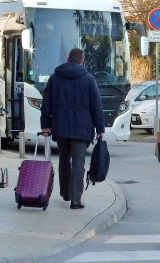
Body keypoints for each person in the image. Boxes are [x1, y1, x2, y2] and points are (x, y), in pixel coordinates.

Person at [40, 48, 105, 210]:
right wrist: (100, 128)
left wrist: (45, 125)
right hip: (82, 129)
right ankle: (75, 200)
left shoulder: (55, 78)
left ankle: (65, 193)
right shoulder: (88, 79)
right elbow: (96, 106)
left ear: (68, 58)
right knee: (78, 162)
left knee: (63, 159)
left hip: (60, 127)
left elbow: (46, 104)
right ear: (82, 61)